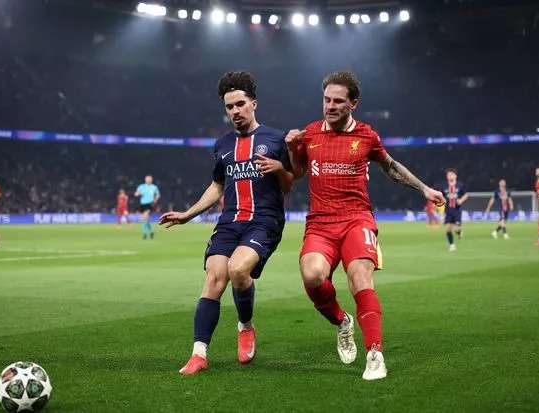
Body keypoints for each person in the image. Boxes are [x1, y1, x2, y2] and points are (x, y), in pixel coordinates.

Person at [285, 71, 445, 381]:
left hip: (356, 218)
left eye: (338, 101)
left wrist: (424, 189)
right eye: (326, 99)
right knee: (312, 275)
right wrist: (293, 148)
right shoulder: (310, 133)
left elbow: (391, 167)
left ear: (353, 104)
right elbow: (298, 173)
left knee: (360, 279)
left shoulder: (367, 136)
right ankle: (343, 322)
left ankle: (375, 354)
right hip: (320, 222)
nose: (330, 106)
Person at [159, 71, 294, 375]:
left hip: (264, 220)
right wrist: (187, 214)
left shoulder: (274, 138)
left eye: (240, 104)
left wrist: (277, 169)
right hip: (230, 221)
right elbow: (217, 186)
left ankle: (245, 326)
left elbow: (288, 185)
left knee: (237, 269)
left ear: (253, 103)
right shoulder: (222, 145)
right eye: (229, 107)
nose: (235, 111)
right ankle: (199, 353)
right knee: (215, 276)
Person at [442, 168, 468, 251]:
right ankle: (452, 245)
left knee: (456, 229)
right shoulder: (444, 186)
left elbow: (466, 195)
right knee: (447, 228)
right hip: (448, 210)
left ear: (455, 175)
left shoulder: (460, 185)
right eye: (448, 174)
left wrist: (461, 200)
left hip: (457, 210)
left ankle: (460, 232)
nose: (449, 176)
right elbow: (441, 196)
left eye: (451, 174)